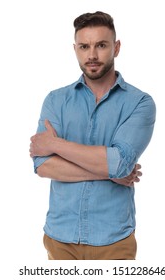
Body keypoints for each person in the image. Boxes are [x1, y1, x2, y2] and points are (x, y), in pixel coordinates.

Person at [29, 11, 156, 260]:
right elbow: (42, 165)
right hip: (59, 239)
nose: (92, 55)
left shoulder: (140, 103)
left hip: (114, 240)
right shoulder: (55, 101)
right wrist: (111, 173)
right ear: (75, 49)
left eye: (101, 45)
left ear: (116, 48)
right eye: (84, 46)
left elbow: (119, 163)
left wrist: (55, 144)